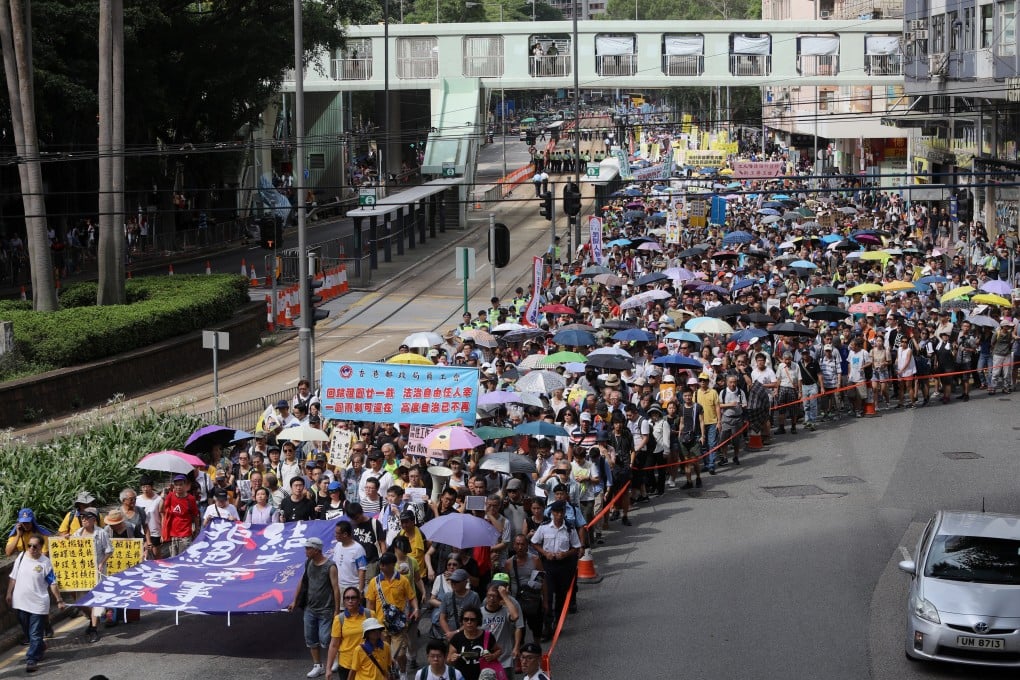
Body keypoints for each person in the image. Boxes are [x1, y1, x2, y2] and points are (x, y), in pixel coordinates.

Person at [5, 536, 66, 672]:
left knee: (35, 633)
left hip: (38, 603)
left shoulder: (45, 563)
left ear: (41, 547)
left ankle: (31, 659)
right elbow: (13, 577)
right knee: (27, 631)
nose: (31, 548)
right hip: (20, 602)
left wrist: (59, 600)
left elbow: (53, 583)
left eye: (35, 546)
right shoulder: (21, 557)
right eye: (29, 545)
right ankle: (40, 646)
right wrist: (9, 593)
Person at [290, 536, 341, 679]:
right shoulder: (308, 563)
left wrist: (337, 610)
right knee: (310, 638)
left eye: (308, 548)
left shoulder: (330, 566)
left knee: (326, 638)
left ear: (316, 550)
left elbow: (336, 588)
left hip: (326, 609)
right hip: (310, 608)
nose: (306, 551)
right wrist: (295, 601)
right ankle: (317, 665)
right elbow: (302, 581)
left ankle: (336, 658)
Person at [529, 501, 580, 636]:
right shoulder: (544, 527)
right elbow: (534, 542)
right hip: (548, 565)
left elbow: (576, 547)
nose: (559, 515)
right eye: (556, 512)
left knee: (561, 596)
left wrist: (565, 554)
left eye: (561, 512)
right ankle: (547, 625)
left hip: (564, 566)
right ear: (552, 513)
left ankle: (558, 623)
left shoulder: (569, 528)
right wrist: (545, 553)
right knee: (548, 595)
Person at [365, 552, 419, 680]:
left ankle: (403, 671)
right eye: (381, 564)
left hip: (398, 625)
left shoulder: (403, 580)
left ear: (392, 565)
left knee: (399, 654)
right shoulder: (375, 582)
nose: (381, 566)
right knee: (384, 653)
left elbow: (412, 597)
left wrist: (416, 608)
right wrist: (369, 621)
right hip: (380, 625)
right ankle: (389, 674)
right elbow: (370, 603)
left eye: (384, 564)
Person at [72, 508, 112, 643]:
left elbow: (109, 551)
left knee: (96, 601)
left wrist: (102, 563)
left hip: (97, 572)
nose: (83, 519)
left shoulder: (101, 533)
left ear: (94, 520)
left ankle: (94, 628)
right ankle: (92, 620)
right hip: (82, 573)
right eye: (82, 517)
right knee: (82, 602)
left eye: (86, 517)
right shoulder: (77, 534)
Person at [504, 535, 544, 644]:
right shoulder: (508, 563)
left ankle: (536, 653)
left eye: (522, 544)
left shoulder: (535, 560)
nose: (520, 547)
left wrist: (545, 602)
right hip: (517, 602)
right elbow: (505, 583)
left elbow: (543, 581)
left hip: (534, 601)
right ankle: (520, 655)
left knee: (537, 630)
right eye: (517, 544)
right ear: (514, 546)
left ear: (527, 546)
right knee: (519, 630)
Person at [479, 578, 522, 678]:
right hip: (486, 658)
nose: (491, 599)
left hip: (505, 658)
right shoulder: (479, 613)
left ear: (500, 599)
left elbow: (515, 616)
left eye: (495, 596)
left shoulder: (506, 611)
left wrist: (505, 596)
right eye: (489, 596)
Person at [325, 586, 370, 680]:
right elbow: (334, 645)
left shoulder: (369, 615)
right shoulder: (339, 619)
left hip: (367, 663)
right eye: (347, 598)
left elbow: (380, 639)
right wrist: (328, 669)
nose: (350, 600)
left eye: (353, 598)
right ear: (344, 601)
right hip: (346, 664)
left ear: (359, 600)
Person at [448, 604, 501, 680]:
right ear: (462, 621)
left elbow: (499, 650)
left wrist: (492, 656)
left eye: (472, 619)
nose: (469, 622)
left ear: (478, 621)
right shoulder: (457, 638)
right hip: (462, 677)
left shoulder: (487, 636)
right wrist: (452, 658)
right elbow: (449, 659)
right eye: (466, 619)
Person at [161, 474, 200, 557]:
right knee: (173, 559)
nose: (178, 487)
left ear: (185, 485)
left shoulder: (191, 499)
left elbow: (196, 515)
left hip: (185, 535)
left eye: (181, 484)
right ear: (173, 486)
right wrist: (162, 497)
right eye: (176, 485)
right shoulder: (170, 496)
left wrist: (196, 531)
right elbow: (162, 510)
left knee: (184, 558)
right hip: (173, 535)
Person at [438, 568, 482, 640]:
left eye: (456, 581)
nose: (453, 583)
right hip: (450, 636)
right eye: (452, 581)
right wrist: (449, 633)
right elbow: (442, 618)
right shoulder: (447, 596)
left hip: (468, 635)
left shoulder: (474, 596)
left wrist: (456, 633)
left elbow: (475, 619)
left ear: (465, 582)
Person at [333, 520, 368, 595]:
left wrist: (360, 590)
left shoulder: (358, 549)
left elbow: (362, 570)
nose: (335, 535)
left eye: (337, 533)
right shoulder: (337, 546)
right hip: (339, 587)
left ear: (345, 534)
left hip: (353, 588)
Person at [134, 476, 163, 558]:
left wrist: (163, 532)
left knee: (156, 556)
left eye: (147, 486)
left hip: (155, 531)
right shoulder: (137, 500)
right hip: (141, 532)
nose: (145, 489)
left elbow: (162, 517)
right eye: (143, 487)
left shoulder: (158, 499)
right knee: (142, 556)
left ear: (152, 487)